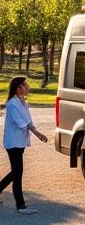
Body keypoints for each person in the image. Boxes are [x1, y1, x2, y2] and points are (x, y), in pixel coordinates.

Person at [1, 77, 48, 215]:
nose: (27, 86)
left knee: (16, 172)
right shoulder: (12, 104)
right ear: (18, 88)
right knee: (17, 173)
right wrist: (37, 133)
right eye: (25, 84)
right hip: (13, 142)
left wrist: (38, 134)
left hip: (19, 142)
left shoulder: (23, 102)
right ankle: (20, 206)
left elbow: (29, 121)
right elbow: (21, 123)